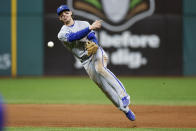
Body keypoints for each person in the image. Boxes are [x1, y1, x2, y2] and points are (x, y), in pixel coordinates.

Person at [57, 5, 135, 121]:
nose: (64, 15)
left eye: (66, 12)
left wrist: (94, 43)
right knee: (105, 89)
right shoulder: (62, 33)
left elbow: (92, 37)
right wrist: (90, 27)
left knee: (100, 68)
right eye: (61, 15)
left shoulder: (83, 23)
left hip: (96, 52)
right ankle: (125, 109)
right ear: (60, 19)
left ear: (71, 13)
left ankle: (124, 95)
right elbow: (73, 37)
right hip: (85, 61)